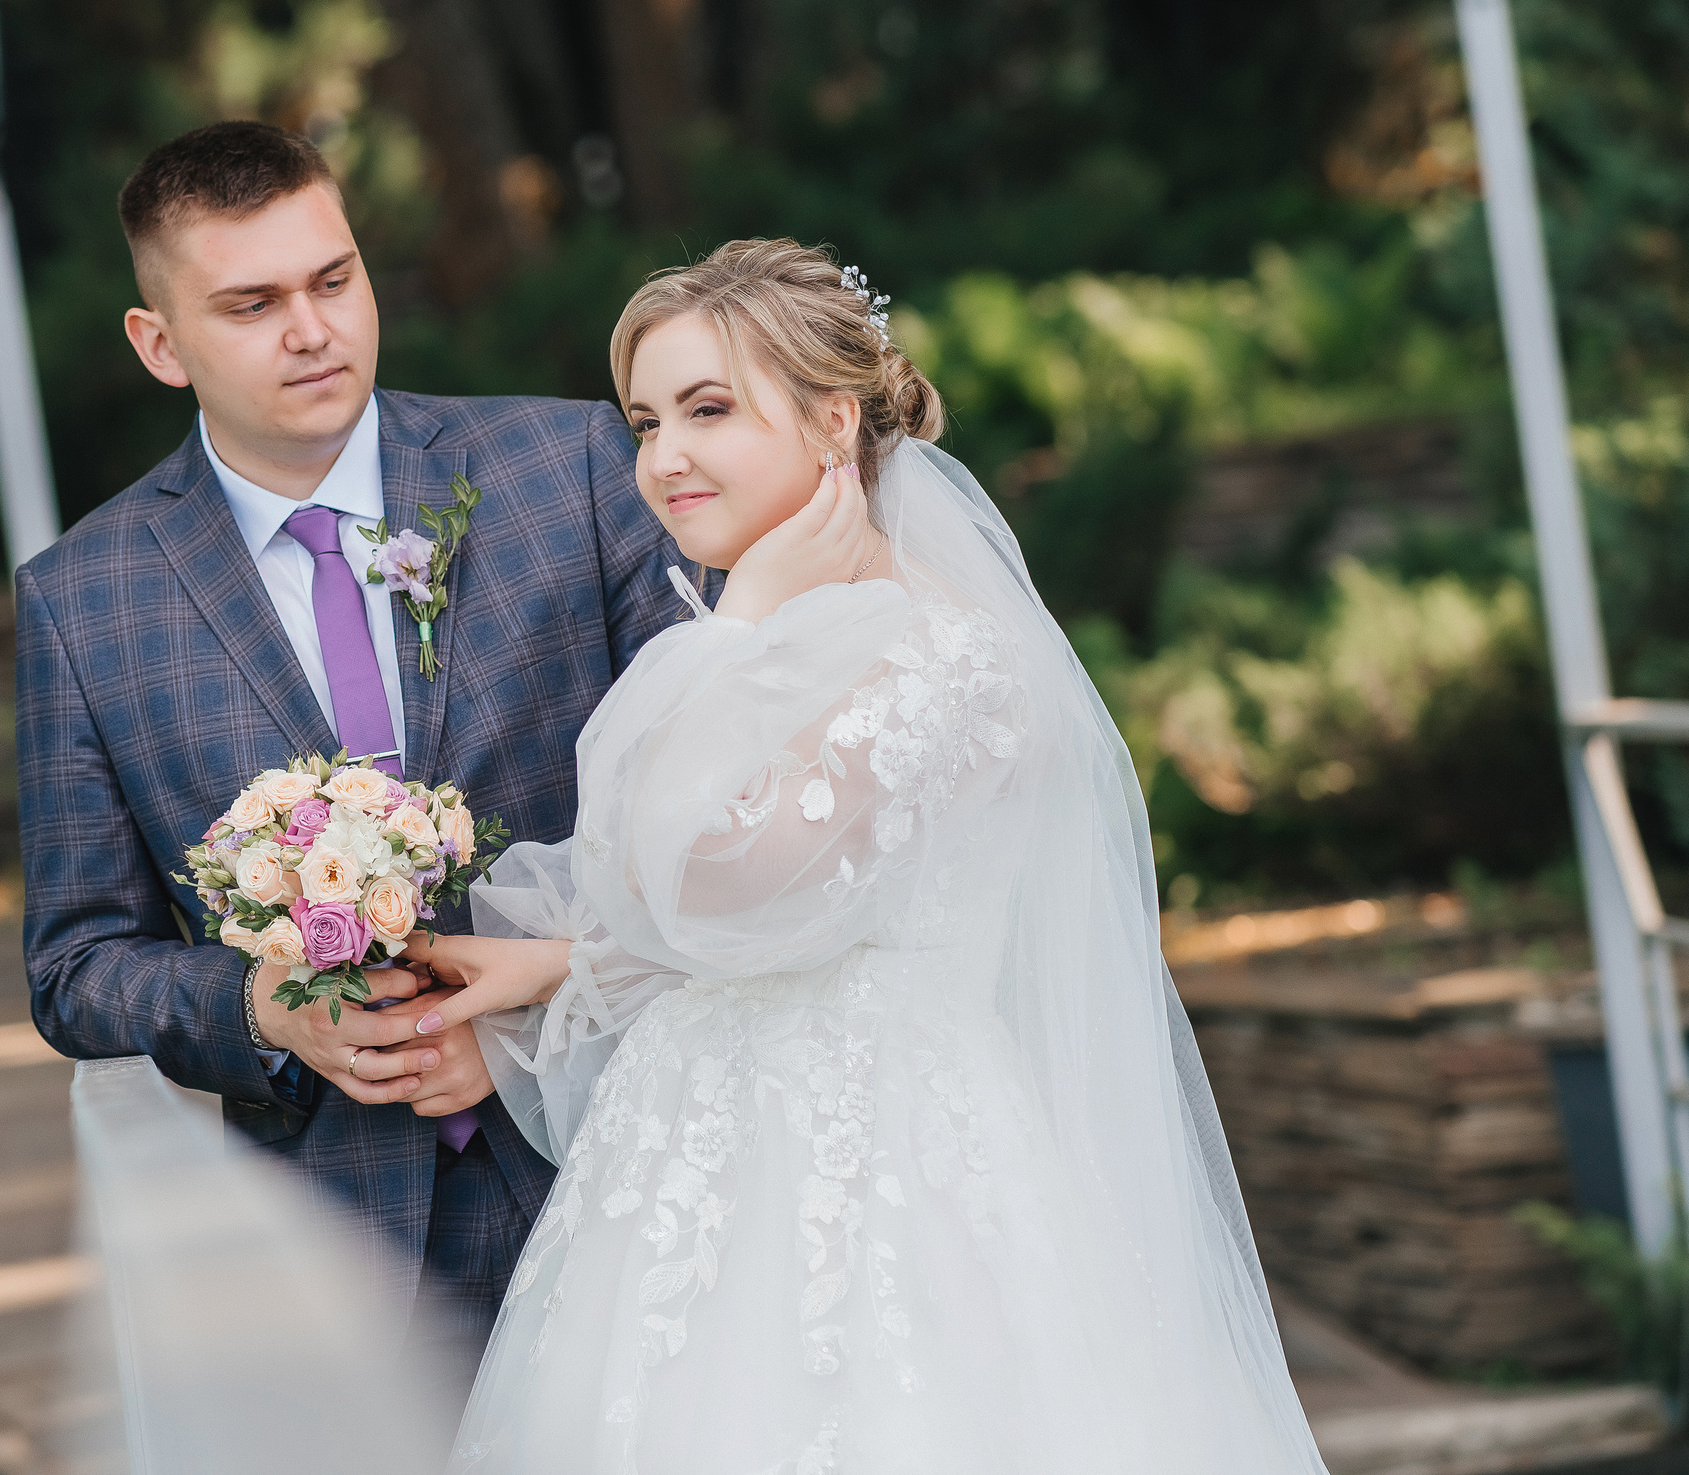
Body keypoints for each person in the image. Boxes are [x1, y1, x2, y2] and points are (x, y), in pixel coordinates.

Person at [407, 239, 1328, 1472]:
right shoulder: (771, 633)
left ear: (831, 419)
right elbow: (740, 920)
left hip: (886, 1181)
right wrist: (564, 965)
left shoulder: (944, 657)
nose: (663, 456)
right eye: (645, 420)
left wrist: (738, 629)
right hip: (686, 1175)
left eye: (708, 409)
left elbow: (725, 889)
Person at [15, 120, 687, 1367]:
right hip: (335, 1240)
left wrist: (550, 1003)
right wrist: (263, 1005)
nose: (312, 328)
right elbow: (74, 964)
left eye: (332, 279)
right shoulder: (85, 601)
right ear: (158, 343)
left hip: (634, 1158)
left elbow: (722, 814)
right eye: (251, 302)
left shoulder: (571, 468)